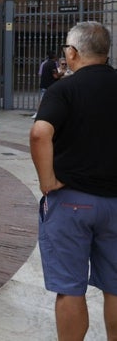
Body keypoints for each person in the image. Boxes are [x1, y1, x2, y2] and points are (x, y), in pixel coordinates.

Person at [30, 21, 117, 340]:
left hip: (72, 202)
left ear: (73, 52)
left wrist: (47, 180)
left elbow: (40, 132)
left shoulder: (63, 90)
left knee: (70, 288)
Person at [33, 51, 64, 118]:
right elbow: (55, 76)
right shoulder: (52, 64)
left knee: (45, 100)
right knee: (48, 100)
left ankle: (40, 113)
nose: (57, 57)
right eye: (56, 55)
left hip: (45, 85)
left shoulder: (45, 63)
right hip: (49, 86)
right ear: (54, 56)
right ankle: (39, 113)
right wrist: (62, 73)